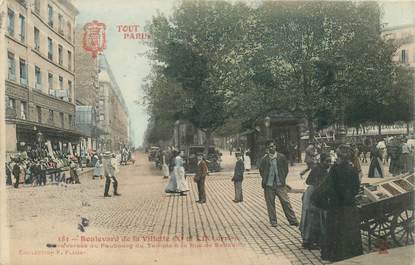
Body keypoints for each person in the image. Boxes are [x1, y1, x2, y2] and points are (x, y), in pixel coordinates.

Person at [312, 144, 362, 262]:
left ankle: (334, 255)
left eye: (337, 156)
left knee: (334, 231)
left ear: (339, 156)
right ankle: (351, 254)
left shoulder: (334, 170)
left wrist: (319, 200)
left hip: (335, 207)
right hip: (349, 207)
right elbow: (356, 188)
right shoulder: (354, 170)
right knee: (349, 230)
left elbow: (326, 188)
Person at [259, 142, 298, 227]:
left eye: (272, 146)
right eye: (269, 147)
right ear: (267, 148)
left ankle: (293, 220)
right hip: (269, 185)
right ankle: (273, 221)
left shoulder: (281, 157)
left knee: (286, 202)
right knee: (270, 204)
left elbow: (285, 169)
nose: (271, 148)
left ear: (275, 147)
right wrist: (266, 179)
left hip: (280, 184)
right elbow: (261, 170)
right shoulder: (264, 159)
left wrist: (282, 178)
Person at [300, 153, 331, 250]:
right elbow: (310, 182)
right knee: (312, 218)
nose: (329, 163)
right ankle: (309, 241)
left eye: (330, 161)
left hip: (313, 194)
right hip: (313, 195)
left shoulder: (320, 169)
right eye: (327, 161)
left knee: (313, 218)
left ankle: (310, 240)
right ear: (322, 161)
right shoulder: (319, 170)